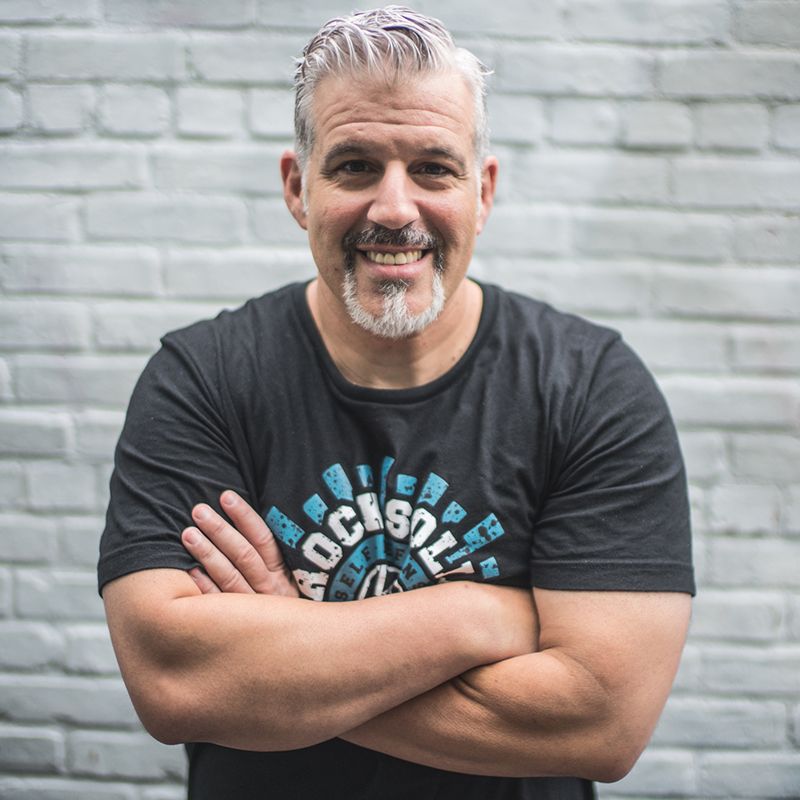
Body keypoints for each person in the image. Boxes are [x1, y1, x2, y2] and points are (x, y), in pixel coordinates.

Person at [99, 7, 695, 799]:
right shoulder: (203, 380)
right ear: (295, 187)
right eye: (353, 166)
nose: (394, 208)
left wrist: (289, 647)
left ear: (482, 192)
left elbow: (602, 723)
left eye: (432, 169)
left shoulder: (589, 388)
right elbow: (176, 685)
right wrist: (475, 619)